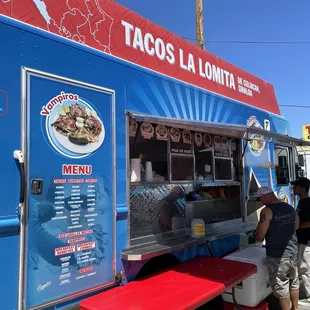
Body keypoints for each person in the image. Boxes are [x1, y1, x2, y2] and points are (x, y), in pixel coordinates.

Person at [255, 186, 300, 310]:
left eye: (260, 199)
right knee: (293, 282)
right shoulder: (289, 208)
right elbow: (296, 226)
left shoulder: (267, 211)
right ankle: (295, 308)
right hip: (293, 252)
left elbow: (259, 236)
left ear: (265, 195)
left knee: (281, 287)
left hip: (277, 255)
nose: (261, 202)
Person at [291, 177, 310, 307]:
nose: (294, 188)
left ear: (303, 188)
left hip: (306, 241)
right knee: (302, 267)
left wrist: (295, 227)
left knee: (305, 268)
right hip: (302, 240)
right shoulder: (301, 202)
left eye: (296, 186)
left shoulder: (306, 203)